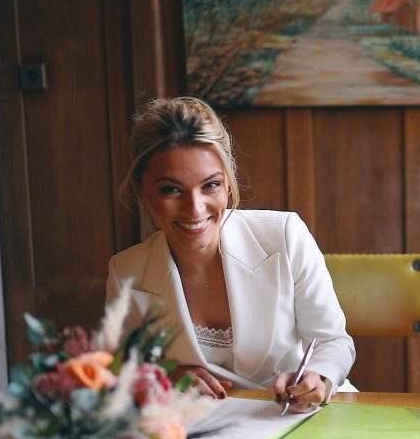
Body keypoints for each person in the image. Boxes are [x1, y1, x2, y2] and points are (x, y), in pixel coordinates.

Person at [107, 96, 355, 412]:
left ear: (228, 183)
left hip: (301, 415)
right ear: (142, 192)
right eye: (171, 190)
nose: (194, 209)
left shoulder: (284, 235)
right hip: (202, 429)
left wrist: (318, 377)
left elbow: (335, 341)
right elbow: (121, 373)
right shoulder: (126, 271)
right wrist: (164, 376)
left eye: (210, 185)